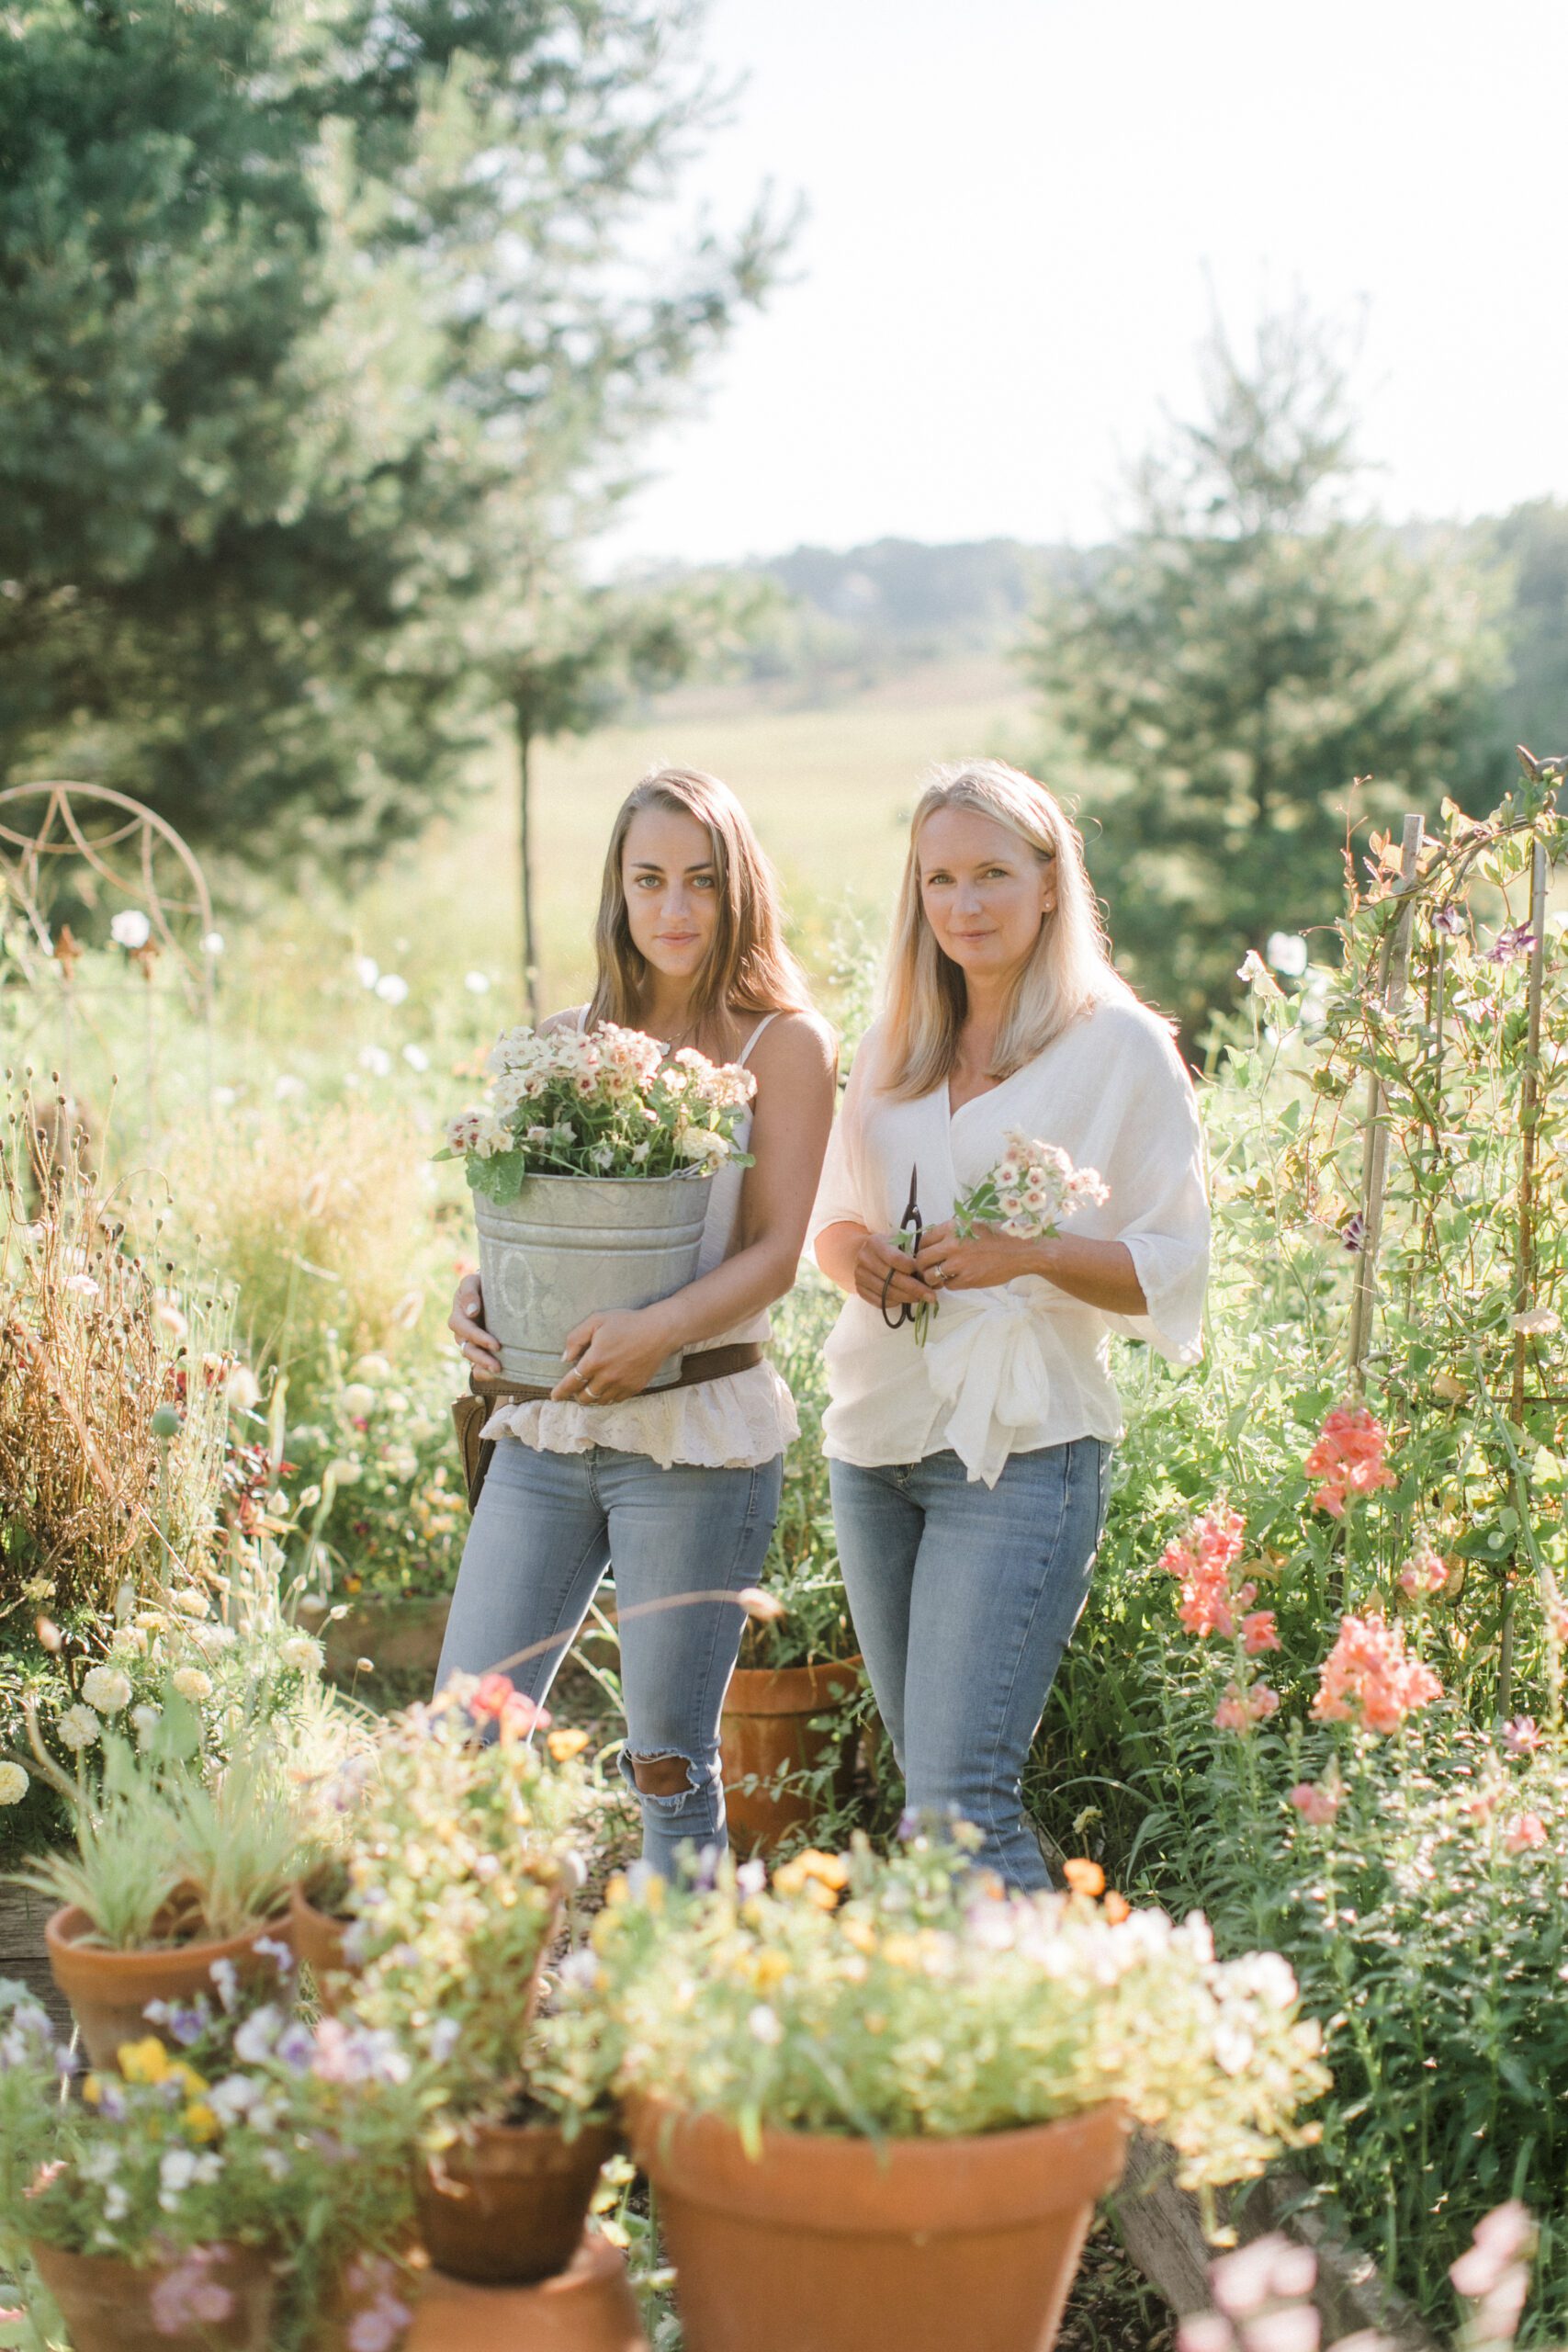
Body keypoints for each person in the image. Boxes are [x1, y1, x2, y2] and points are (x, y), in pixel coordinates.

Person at [809, 758, 1209, 1890]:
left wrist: (1023, 1254)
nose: (965, 905)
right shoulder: (894, 1040)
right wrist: (865, 1262)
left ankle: (1064, 2060)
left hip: (1023, 1453)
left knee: (957, 1805)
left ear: (1050, 883)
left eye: (992, 873)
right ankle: (1005, 2025)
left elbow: (1175, 1267)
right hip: (876, 1440)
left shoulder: (1119, 1048)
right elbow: (834, 1219)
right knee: (939, 1796)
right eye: (939, 880)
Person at [441, 765, 836, 1871]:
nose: (674, 909)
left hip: (694, 1433)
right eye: (649, 878)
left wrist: (657, 1333)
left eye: (702, 882)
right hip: (553, 1426)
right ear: (617, 889)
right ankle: (468, 2005)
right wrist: (479, 1297)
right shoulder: (568, 1035)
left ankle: (690, 2022)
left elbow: (774, 1256)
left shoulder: (785, 1044)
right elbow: (532, 1229)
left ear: (739, 891)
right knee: (464, 1737)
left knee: (667, 1760)